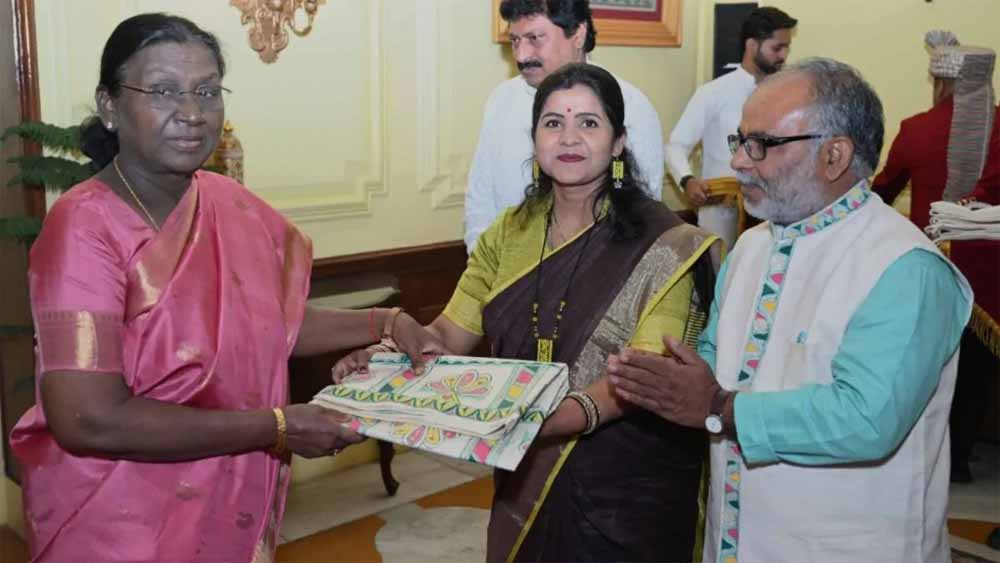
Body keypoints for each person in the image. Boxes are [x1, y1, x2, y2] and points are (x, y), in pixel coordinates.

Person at [9, 13, 439, 563]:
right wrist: (277, 427)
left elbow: (270, 324)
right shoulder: (82, 227)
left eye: (207, 91)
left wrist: (385, 322)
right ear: (110, 105)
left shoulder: (230, 204)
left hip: (222, 498)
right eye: (163, 91)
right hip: (121, 520)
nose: (192, 112)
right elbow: (87, 418)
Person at [336, 63, 721, 562]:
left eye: (589, 123)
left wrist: (545, 420)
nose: (569, 138)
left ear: (619, 142)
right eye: (553, 122)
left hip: (624, 484)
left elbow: (646, 375)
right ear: (535, 138)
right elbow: (447, 335)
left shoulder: (664, 244)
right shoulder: (509, 231)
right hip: (526, 463)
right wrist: (384, 361)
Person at [610, 58, 973, 563]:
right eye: (740, 141)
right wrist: (663, 380)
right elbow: (714, 363)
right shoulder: (751, 246)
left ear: (834, 155)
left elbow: (867, 419)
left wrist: (719, 407)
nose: (738, 161)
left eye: (762, 144)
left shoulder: (905, 267)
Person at [873, 31, 999, 483]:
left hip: (932, 264)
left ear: (941, 81)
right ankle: (961, 457)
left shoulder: (916, 128)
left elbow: (882, 191)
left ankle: (929, 452)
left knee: (930, 361)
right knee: (978, 368)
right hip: (990, 274)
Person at [464, 0, 665, 252]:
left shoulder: (630, 105)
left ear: (578, 34)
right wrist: (486, 265)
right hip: (505, 266)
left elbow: (642, 212)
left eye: (535, 38)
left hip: (601, 265)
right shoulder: (501, 100)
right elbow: (480, 199)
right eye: (515, 41)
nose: (521, 56)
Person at [665, 6, 796, 250]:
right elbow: (676, 146)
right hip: (721, 213)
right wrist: (687, 180)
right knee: (720, 270)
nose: (784, 56)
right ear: (752, 45)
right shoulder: (713, 93)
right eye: (777, 48)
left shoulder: (788, 96)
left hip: (773, 210)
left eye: (787, 48)